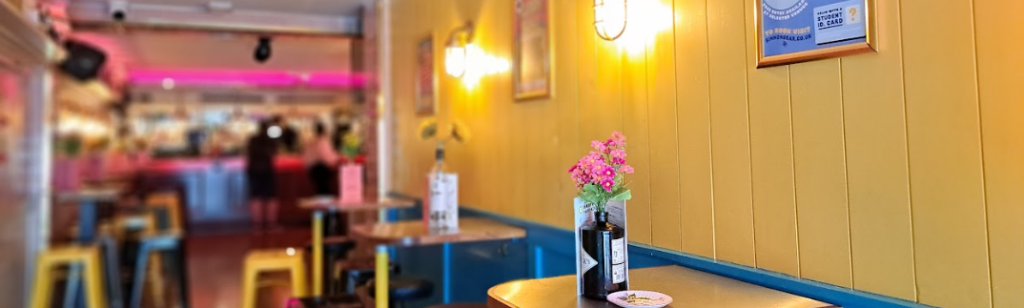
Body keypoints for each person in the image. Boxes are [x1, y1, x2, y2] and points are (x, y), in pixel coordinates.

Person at [245, 120, 279, 230]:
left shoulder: (252, 139)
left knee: (256, 196)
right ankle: (271, 224)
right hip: (267, 170)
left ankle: (257, 225)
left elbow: (248, 153)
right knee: (271, 197)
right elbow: (274, 154)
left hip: (253, 170)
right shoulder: (270, 140)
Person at [303, 122, 339, 196]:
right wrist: (336, 157)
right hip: (323, 169)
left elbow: (306, 157)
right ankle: (327, 206)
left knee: (319, 189)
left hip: (313, 169)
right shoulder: (323, 142)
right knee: (324, 189)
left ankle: (321, 205)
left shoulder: (311, 142)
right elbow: (327, 156)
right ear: (324, 131)